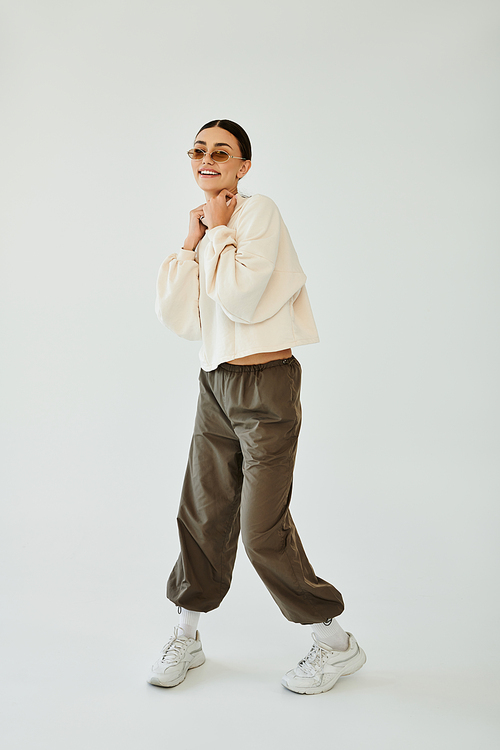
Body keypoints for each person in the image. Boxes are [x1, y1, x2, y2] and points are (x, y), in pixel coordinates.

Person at [150, 119, 366, 695]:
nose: (207, 159)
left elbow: (242, 300)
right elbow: (180, 318)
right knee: (201, 512)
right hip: (214, 384)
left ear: (243, 166)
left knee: (260, 529)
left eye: (222, 152)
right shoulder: (207, 223)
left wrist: (219, 231)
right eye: (198, 150)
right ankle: (188, 634)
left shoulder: (258, 212)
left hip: (266, 388)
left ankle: (335, 643)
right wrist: (191, 243)